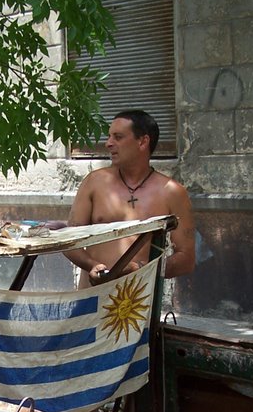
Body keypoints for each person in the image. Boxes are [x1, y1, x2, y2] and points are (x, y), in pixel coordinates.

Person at [64, 110, 195, 286]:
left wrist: (141, 269)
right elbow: (69, 240)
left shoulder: (172, 192)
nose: (108, 144)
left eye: (118, 137)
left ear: (142, 141)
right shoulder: (94, 182)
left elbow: (186, 259)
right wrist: (92, 265)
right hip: (91, 299)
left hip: (137, 301)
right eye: (109, 137)